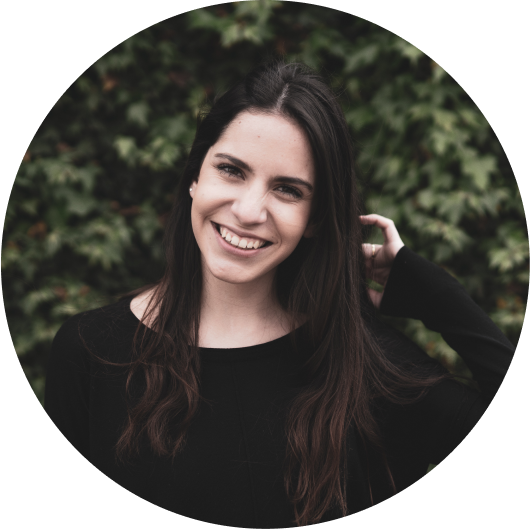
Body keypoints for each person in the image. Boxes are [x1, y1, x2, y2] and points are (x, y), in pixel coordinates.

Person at [44, 60, 515, 527]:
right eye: (231, 170)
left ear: (315, 219)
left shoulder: (367, 366)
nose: (249, 211)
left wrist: (434, 295)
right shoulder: (90, 350)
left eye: (288, 190)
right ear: (194, 177)